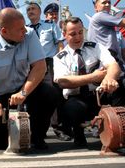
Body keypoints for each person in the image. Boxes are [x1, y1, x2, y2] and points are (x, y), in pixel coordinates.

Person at [0, 8, 59, 150]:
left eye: (24, 27)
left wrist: (23, 93)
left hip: (25, 90)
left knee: (50, 93)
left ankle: (37, 136)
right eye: (20, 29)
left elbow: (40, 67)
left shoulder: (29, 35)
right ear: (4, 31)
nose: (25, 31)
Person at [54, 17, 125, 147]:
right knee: (72, 108)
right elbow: (63, 82)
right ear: (64, 35)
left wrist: (109, 78)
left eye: (80, 32)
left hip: (99, 94)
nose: (78, 37)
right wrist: (93, 77)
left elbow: (114, 65)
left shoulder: (96, 47)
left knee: (118, 86)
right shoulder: (60, 57)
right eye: (73, 34)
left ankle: (118, 129)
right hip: (77, 98)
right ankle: (78, 132)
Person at [27, 2, 68, 141]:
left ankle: (58, 128)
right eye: (28, 9)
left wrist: (60, 63)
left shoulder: (50, 25)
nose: (30, 11)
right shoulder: (24, 29)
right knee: (32, 97)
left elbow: (60, 44)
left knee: (53, 95)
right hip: (30, 65)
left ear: (39, 12)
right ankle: (35, 131)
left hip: (48, 63)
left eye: (33, 9)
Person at [87, 0, 125, 69]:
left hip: (104, 60)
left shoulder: (97, 18)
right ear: (96, 7)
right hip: (106, 59)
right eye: (104, 3)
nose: (107, 5)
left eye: (109, 2)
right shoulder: (100, 15)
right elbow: (123, 22)